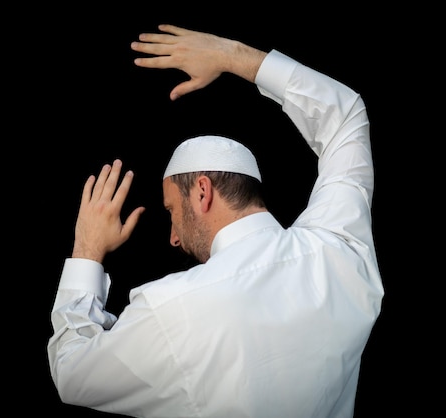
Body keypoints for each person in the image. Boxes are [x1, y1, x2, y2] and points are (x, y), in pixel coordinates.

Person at [48, 24, 384, 418]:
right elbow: (345, 118)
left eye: (171, 211)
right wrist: (231, 55)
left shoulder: (172, 309)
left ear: (202, 192)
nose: (173, 238)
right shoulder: (338, 247)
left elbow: (72, 372)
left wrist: (87, 249)